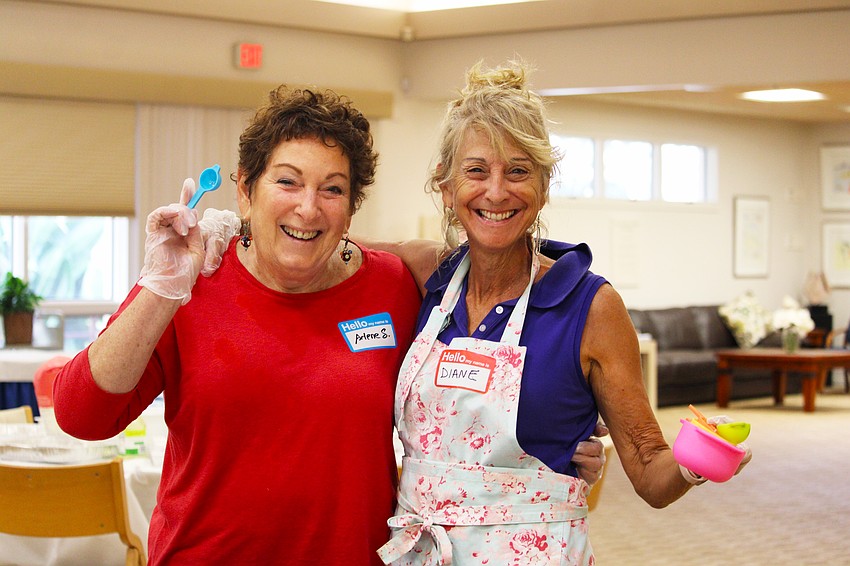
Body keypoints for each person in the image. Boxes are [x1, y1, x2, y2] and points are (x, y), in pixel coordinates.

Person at [361, 60, 751, 565]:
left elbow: (651, 473)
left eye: (518, 171)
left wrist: (699, 460)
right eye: (476, 170)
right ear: (446, 184)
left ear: (544, 186)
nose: (496, 192)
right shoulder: (427, 275)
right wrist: (229, 229)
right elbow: (324, 242)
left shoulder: (592, 307)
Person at [53, 85, 424, 564]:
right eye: (287, 182)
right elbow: (81, 415)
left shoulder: (391, 288)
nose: (308, 208)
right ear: (245, 191)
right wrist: (159, 289)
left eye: (333, 189)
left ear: (351, 207)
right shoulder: (193, 279)